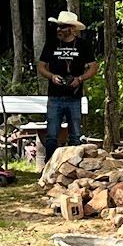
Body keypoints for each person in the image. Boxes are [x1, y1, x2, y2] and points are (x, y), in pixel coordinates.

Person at [37, 11, 98, 157]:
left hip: (74, 97)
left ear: (71, 28)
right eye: (58, 26)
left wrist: (80, 79)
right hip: (54, 96)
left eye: (63, 27)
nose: (59, 30)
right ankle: (49, 166)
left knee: (75, 135)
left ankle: (73, 165)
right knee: (51, 135)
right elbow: (40, 66)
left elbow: (94, 67)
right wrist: (51, 76)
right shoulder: (51, 44)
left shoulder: (83, 45)